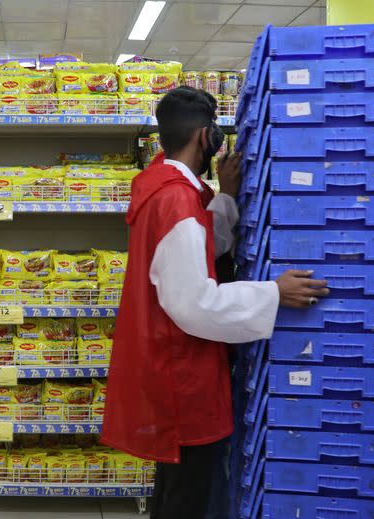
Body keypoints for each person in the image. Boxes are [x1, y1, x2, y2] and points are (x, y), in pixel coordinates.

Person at [100, 87, 329, 519]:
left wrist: (224, 194)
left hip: (171, 368)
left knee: (178, 488)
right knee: (191, 496)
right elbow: (194, 304)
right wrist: (273, 293)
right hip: (183, 375)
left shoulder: (164, 190)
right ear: (207, 137)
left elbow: (202, 245)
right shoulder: (177, 202)